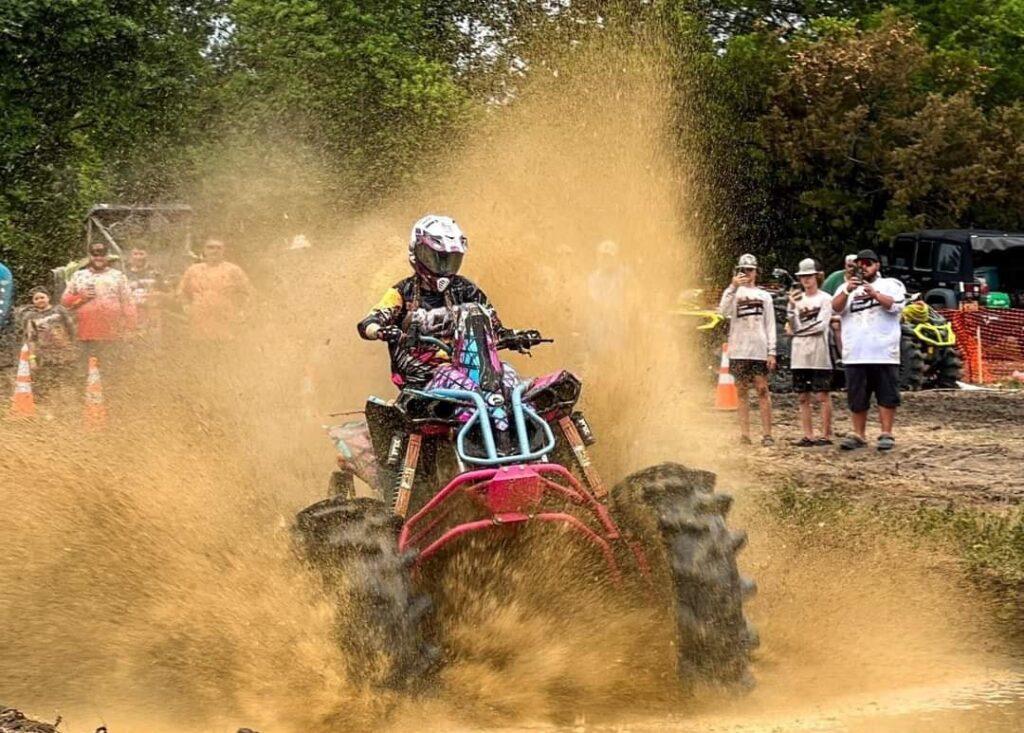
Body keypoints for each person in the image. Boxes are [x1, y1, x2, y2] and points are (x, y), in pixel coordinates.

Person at [357, 214, 511, 388]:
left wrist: (513, 336)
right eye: (437, 259)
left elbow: (493, 324)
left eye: (451, 261)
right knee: (464, 386)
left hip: (473, 371)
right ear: (418, 253)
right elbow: (367, 323)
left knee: (509, 379)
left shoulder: (465, 289)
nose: (444, 269)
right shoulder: (403, 292)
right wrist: (380, 331)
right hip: (424, 382)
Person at [831, 248, 906, 451]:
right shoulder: (846, 288)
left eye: (868, 263)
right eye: (860, 264)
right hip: (855, 352)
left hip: (884, 352)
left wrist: (875, 294)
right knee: (857, 396)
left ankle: (886, 433)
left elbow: (896, 306)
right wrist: (847, 290)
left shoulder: (890, 284)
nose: (864, 267)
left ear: (877, 265)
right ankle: (858, 434)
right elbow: (835, 308)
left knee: (886, 394)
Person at [718, 253, 776, 446]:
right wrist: (733, 286)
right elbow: (722, 312)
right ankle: (745, 434)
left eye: (750, 270)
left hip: (758, 349)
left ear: (756, 271)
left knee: (762, 389)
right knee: (741, 390)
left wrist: (772, 351)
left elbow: (770, 324)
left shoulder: (764, 296)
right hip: (738, 349)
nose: (747, 274)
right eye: (743, 270)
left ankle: (767, 434)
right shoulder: (733, 294)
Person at [60, 242, 136, 371]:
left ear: (107, 256)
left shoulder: (117, 276)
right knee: (85, 371)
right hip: (85, 333)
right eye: (95, 255)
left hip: (112, 333)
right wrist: (81, 297)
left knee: (111, 371)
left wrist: (130, 327)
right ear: (90, 256)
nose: (98, 258)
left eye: (102, 254)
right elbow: (65, 301)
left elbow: (128, 303)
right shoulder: (79, 275)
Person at [787, 258, 834, 446]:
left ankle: (826, 434)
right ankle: (808, 434)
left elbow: (821, 326)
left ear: (817, 277)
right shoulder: (796, 300)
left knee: (822, 395)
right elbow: (791, 324)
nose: (806, 280)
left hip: (819, 353)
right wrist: (791, 308)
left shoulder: (825, 299)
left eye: (809, 276)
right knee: (802, 396)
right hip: (799, 354)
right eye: (803, 277)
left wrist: (797, 331)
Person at [177, 238, 254, 342]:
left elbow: (248, 292)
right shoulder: (193, 270)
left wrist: (242, 312)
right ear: (204, 250)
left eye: (218, 248)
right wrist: (186, 306)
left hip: (226, 323)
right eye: (210, 247)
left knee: (223, 355)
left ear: (223, 251)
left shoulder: (233, 270)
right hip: (198, 323)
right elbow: (181, 291)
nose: (214, 251)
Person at [15, 287, 78, 402]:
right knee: (45, 378)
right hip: (44, 354)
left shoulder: (59, 310)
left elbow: (71, 328)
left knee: (66, 376)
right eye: (36, 299)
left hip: (64, 350)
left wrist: (73, 346)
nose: (40, 300)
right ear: (33, 302)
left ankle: (68, 401)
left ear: (48, 298)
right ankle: (45, 403)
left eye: (42, 297)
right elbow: (30, 338)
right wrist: (32, 358)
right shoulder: (30, 316)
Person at [125, 246, 168, 341]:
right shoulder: (124, 273)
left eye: (141, 254)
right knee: (130, 347)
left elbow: (167, 293)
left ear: (147, 255)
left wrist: (157, 295)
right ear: (131, 256)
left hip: (152, 317)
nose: (138, 257)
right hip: (131, 316)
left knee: (152, 349)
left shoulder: (156, 273)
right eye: (135, 254)